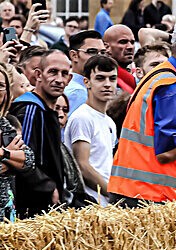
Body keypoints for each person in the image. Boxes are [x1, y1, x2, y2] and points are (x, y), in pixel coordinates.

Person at [109, 25, 176, 205]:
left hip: (134, 191)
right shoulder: (172, 88)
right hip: (150, 196)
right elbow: (166, 153)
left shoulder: (161, 78)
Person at [11, 49, 71, 216]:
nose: (59, 79)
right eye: (53, 72)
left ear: (69, 79)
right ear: (38, 75)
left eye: (64, 74)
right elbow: (23, 157)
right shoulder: (30, 109)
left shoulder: (48, 111)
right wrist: (48, 187)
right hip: (30, 208)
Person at [65, 54, 118, 205]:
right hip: (91, 203)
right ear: (87, 82)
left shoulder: (109, 122)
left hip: (106, 203)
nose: (107, 84)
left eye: (112, 78)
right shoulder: (82, 117)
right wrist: (113, 193)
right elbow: (82, 165)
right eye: (100, 78)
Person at [0, 63, 34, 221]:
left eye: (1, 86)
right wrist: (11, 158)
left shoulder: (4, 123)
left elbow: (28, 160)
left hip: (6, 214)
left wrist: (3, 153)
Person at [64, 29, 105, 115]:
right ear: (74, 55)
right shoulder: (78, 93)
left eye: (103, 52)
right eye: (92, 52)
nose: (100, 57)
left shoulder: (84, 88)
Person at [102, 24, 138, 94]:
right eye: (123, 42)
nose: (130, 47)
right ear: (107, 47)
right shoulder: (103, 73)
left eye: (132, 42)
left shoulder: (134, 71)